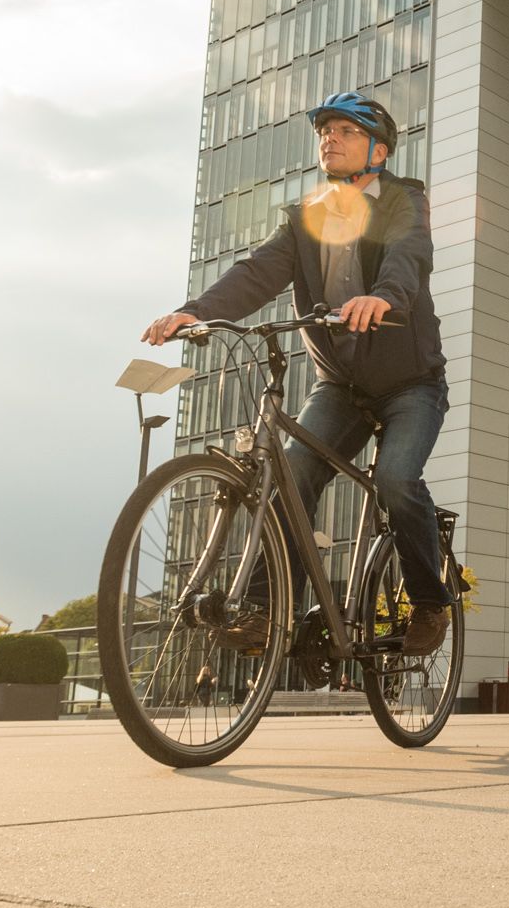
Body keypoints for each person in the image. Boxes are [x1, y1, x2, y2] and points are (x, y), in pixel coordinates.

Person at [142, 92, 455, 659]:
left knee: (395, 481)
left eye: (345, 131)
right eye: (324, 132)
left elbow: (408, 257)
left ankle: (431, 600)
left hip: (412, 384)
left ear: (378, 150)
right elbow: (256, 273)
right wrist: (197, 311)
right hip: (341, 384)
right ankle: (269, 609)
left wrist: (382, 297)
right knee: (290, 475)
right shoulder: (306, 218)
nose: (328, 139)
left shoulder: (405, 202)